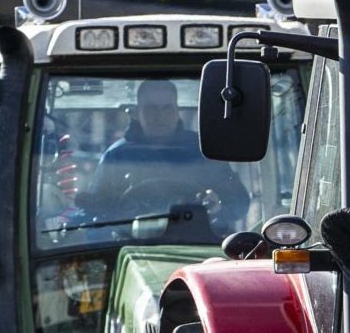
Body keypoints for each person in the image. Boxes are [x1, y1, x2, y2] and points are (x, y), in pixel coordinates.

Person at [89, 80, 241, 232]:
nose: (160, 116)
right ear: (137, 113)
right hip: (129, 244)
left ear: (177, 111)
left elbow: (239, 202)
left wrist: (218, 203)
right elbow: (94, 211)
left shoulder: (205, 151)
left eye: (167, 108)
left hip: (198, 243)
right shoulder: (116, 157)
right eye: (151, 109)